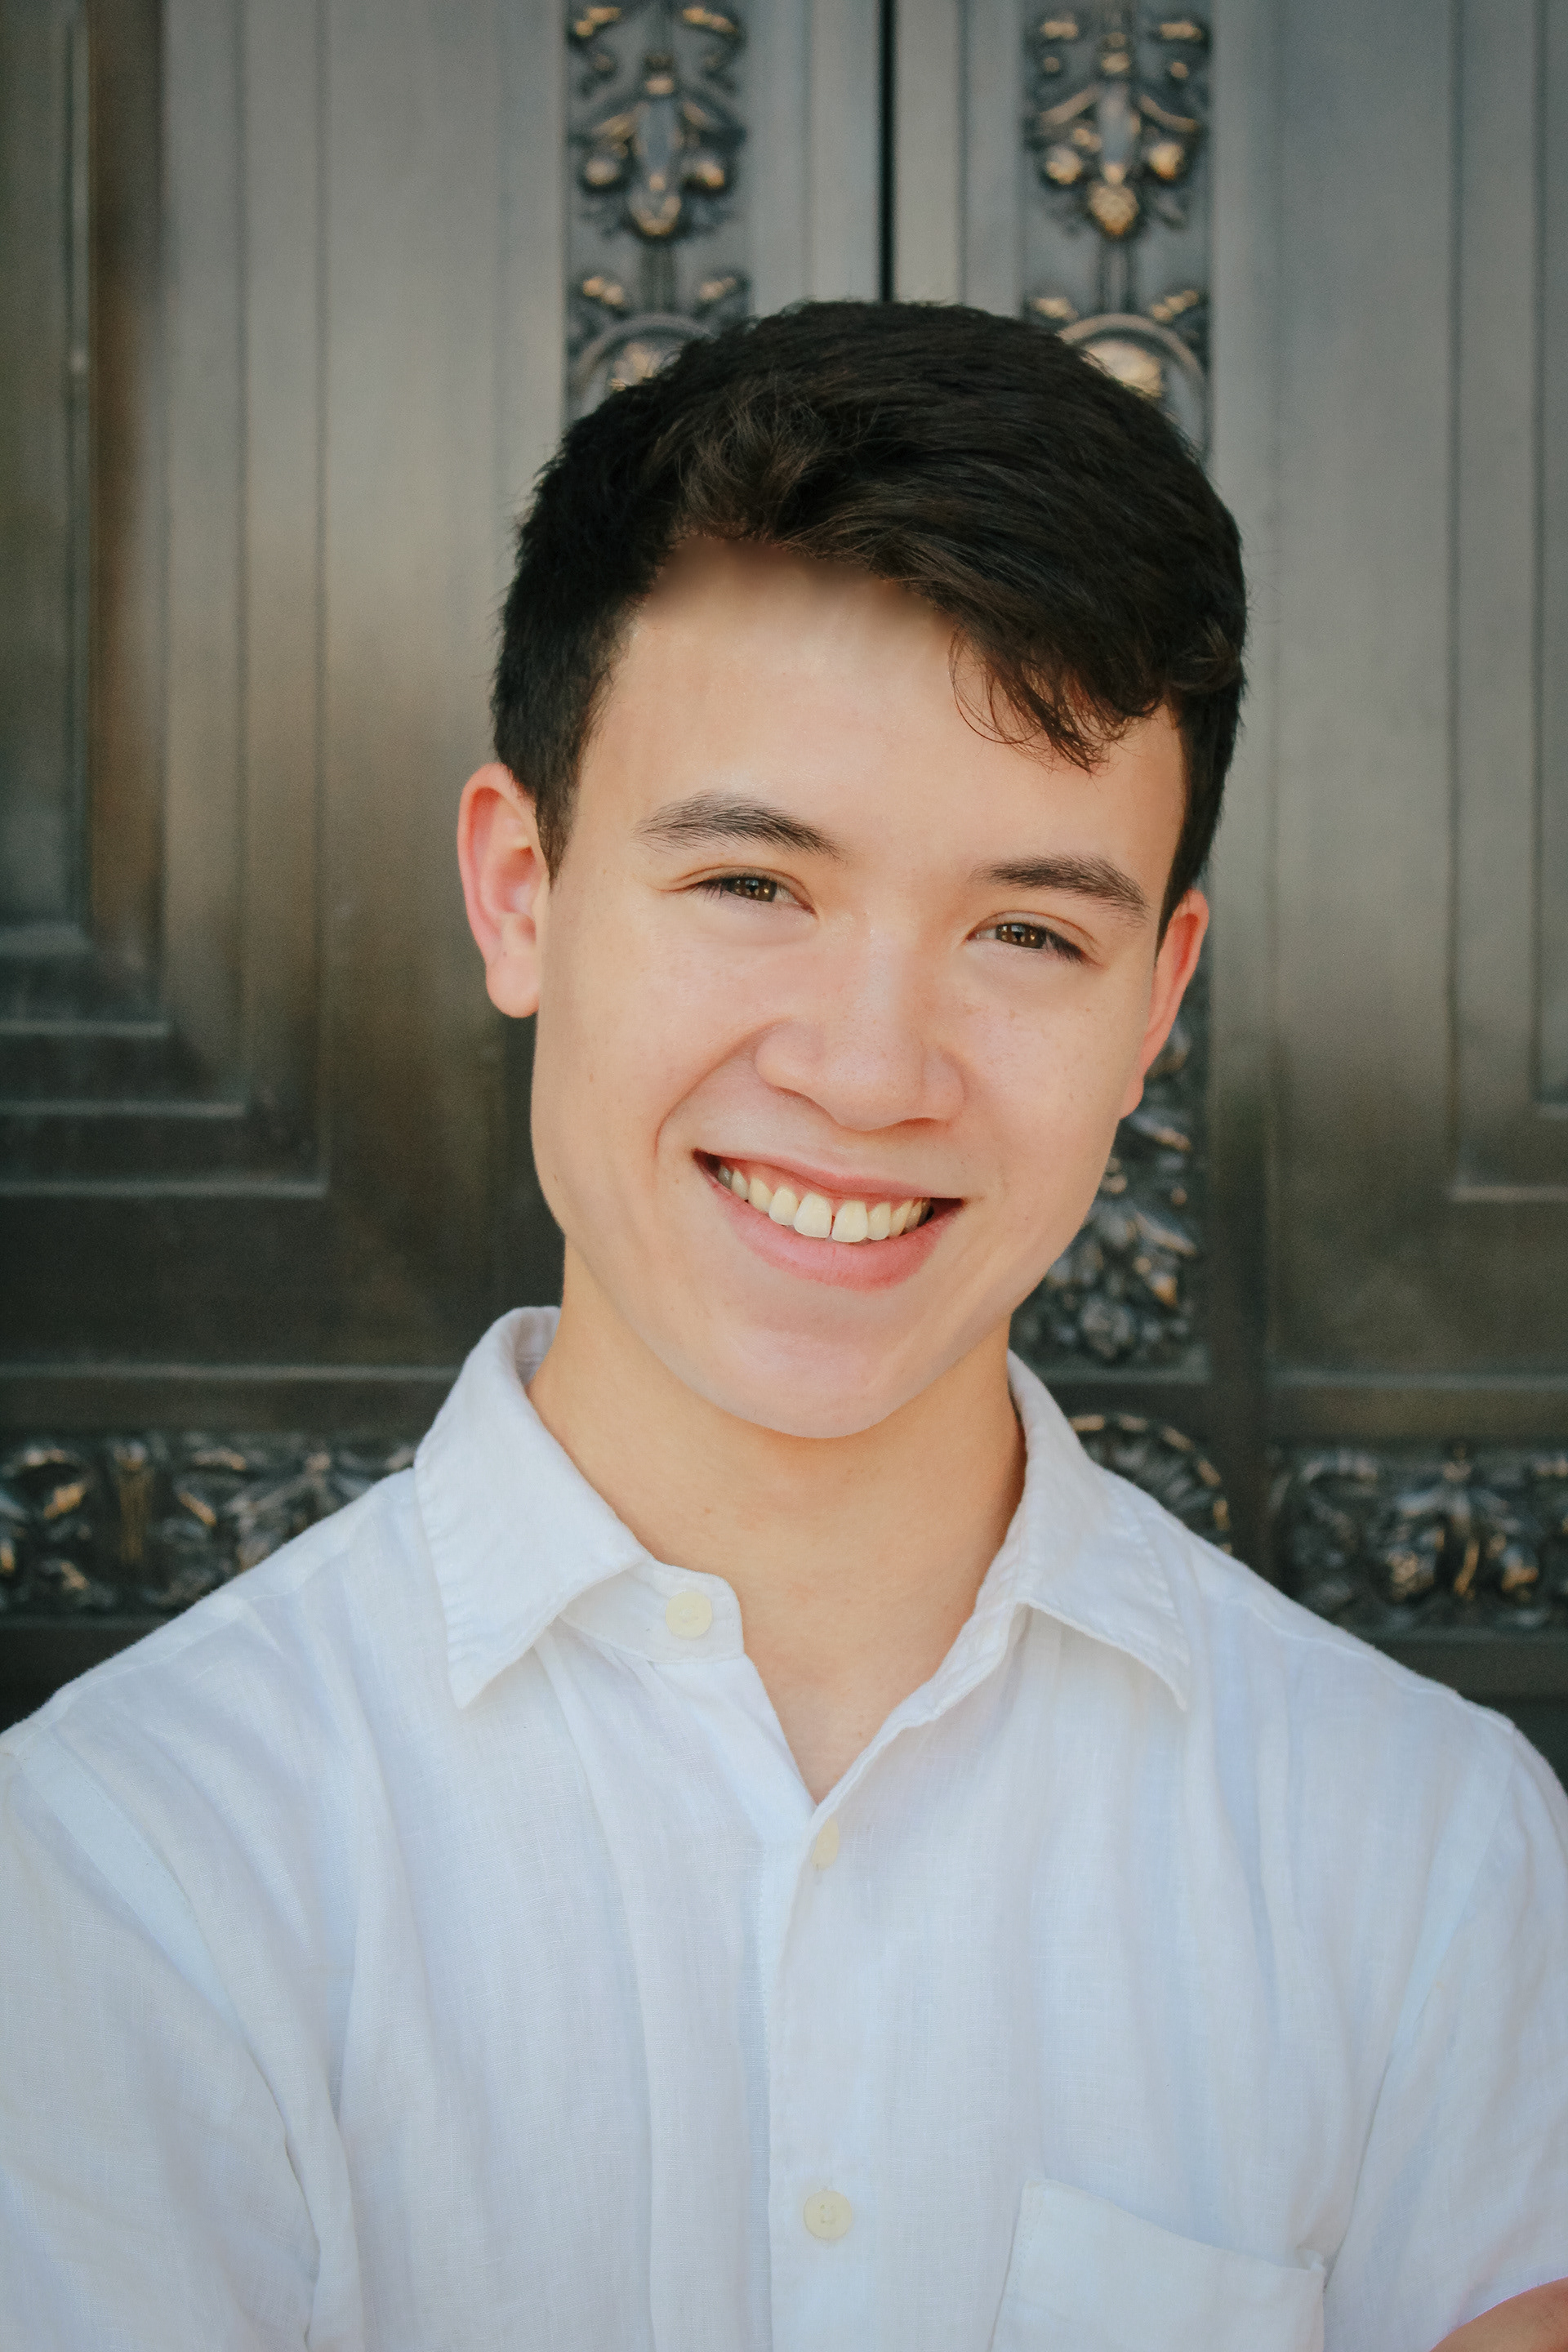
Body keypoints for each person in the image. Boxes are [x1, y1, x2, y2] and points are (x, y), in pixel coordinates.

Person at [2, 302, 1565, 2352]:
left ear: (1155, 1004)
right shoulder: (123, 1869)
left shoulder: (1435, 1858)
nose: (870, 1069)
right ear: (521, 888)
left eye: (1028, 930)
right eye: (753, 883)